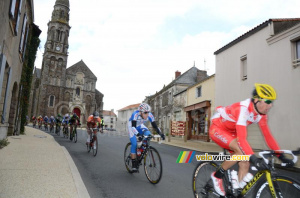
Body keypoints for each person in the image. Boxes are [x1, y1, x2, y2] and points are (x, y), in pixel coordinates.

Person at [209, 83, 294, 196]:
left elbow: (268, 136)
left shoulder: (262, 114)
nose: (270, 105)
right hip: (218, 128)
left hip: (232, 132)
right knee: (241, 151)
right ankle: (217, 176)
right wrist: (254, 158)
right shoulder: (243, 109)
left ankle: (236, 192)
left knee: (245, 163)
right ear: (256, 100)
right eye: (268, 101)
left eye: (272, 102)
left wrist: (281, 156)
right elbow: (242, 140)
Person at [128, 103, 165, 172]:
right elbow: (133, 127)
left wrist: (161, 134)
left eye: (148, 112)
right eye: (145, 113)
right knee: (134, 143)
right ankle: (133, 164)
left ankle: (141, 149)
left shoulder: (150, 115)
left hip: (140, 125)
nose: (147, 114)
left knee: (148, 134)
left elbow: (155, 126)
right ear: (141, 112)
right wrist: (138, 135)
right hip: (132, 126)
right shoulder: (135, 114)